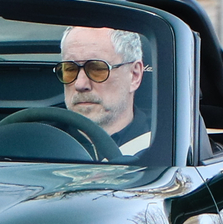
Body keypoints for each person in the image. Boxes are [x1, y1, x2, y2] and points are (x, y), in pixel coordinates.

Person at [58, 25, 154, 158]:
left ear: (134, 75)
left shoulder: (163, 148)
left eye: (97, 69)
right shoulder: (39, 141)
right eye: (70, 69)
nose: (80, 84)